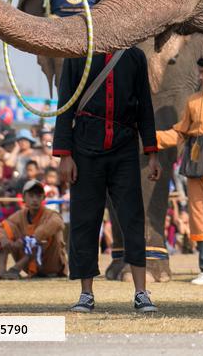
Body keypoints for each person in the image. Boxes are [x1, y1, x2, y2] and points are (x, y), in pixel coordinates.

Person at [54, 43, 161, 313]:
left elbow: (144, 106)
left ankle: (141, 292)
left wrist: (152, 153)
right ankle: (86, 294)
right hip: (84, 150)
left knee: (133, 218)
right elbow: (65, 105)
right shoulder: (77, 54)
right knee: (85, 221)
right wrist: (65, 155)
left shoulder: (135, 56)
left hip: (124, 147)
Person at [155, 56, 203, 285]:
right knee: (199, 221)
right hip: (196, 168)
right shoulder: (192, 100)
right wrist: (151, 137)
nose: (200, 76)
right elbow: (180, 133)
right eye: (199, 72)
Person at [0, 179, 66, 279]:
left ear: (43, 198)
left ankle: (15, 269)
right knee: (6, 229)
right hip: (30, 264)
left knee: (43, 236)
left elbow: (58, 222)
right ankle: (2, 271)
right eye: (31, 196)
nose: (35, 199)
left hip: (50, 265)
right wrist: (4, 239)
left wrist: (31, 238)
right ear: (23, 198)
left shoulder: (50, 214)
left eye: (38, 196)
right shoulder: (19, 215)